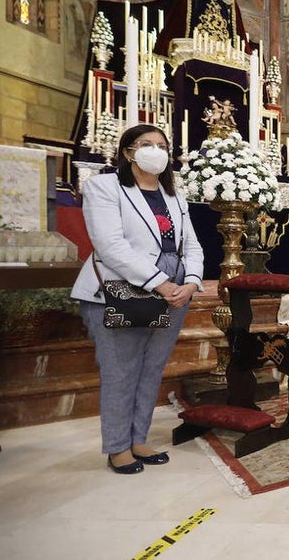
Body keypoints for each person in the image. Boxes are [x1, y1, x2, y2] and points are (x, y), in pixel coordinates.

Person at [70, 124, 204, 474]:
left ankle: (138, 438)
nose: (155, 151)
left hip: (174, 295)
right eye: (146, 144)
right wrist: (161, 284)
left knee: (151, 368)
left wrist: (190, 283)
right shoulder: (104, 187)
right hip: (121, 292)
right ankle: (118, 447)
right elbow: (111, 246)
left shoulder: (174, 195)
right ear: (129, 151)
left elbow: (190, 245)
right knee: (121, 370)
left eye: (162, 145)